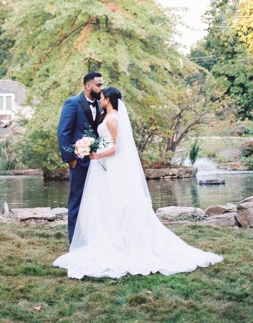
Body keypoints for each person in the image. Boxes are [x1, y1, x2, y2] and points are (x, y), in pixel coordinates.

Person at [53, 87, 222, 279]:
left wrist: (97, 154)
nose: (99, 101)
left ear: (108, 99)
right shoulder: (107, 117)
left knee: (118, 202)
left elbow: (118, 147)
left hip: (111, 165)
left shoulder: (113, 119)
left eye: (101, 98)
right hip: (104, 166)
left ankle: (122, 242)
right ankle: (108, 238)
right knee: (107, 204)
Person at [57, 71, 105, 243]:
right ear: (88, 86)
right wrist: (71, 159)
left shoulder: (101, 104)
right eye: (99, 85)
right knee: (76, 200)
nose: (102, 88)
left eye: (102, 84)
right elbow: (63, 133)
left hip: (97, 162)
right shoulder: (72, 103)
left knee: (96, 201)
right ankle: (74, 242)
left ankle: (92, 238)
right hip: (79, 162)